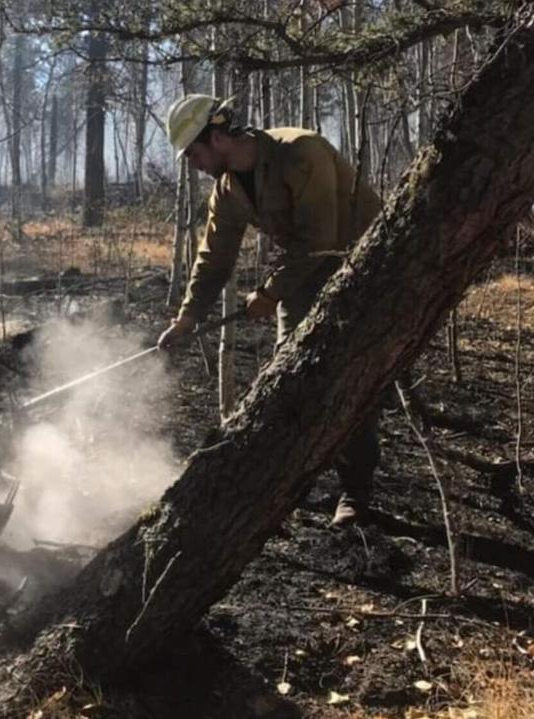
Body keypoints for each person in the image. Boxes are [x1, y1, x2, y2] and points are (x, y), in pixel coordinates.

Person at [157, 94, 384, 527]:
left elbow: (322, 238)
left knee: (347, 372)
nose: (194, 165)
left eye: (193, 154)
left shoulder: (300, 151)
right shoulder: (228, 190)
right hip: (302, 272)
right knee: (289, 370)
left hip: (363, 265)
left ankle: (356, 489)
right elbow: (213, 260)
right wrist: (187, 319)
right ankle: (282, 482)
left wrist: (269, 293)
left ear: (217, 137)